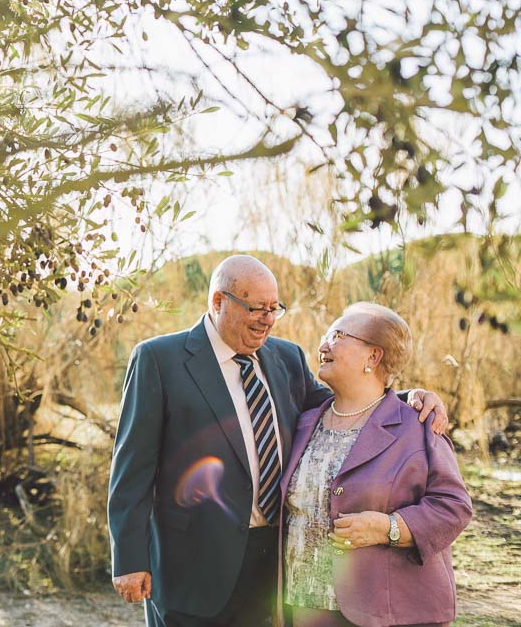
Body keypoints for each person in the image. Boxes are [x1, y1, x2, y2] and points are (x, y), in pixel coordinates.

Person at [107, 255, 448, 627]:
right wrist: (129, 559)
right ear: (218, 302)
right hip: (191, 567)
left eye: (274, 308)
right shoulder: (159, 359)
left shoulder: (285, 357)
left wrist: (408, 396)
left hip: (270, 565)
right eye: (256, 308)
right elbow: (132, 468)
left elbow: (347, 406)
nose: (267, 319)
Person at [281, 303, 472, 627]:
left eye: (338, 335)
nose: (323, 345)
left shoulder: (418, 426)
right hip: (304, 608)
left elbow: (454, 507)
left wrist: (390, 528)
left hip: (386, 613)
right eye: (327, 335)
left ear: (373, 357)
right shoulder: (303, 422)